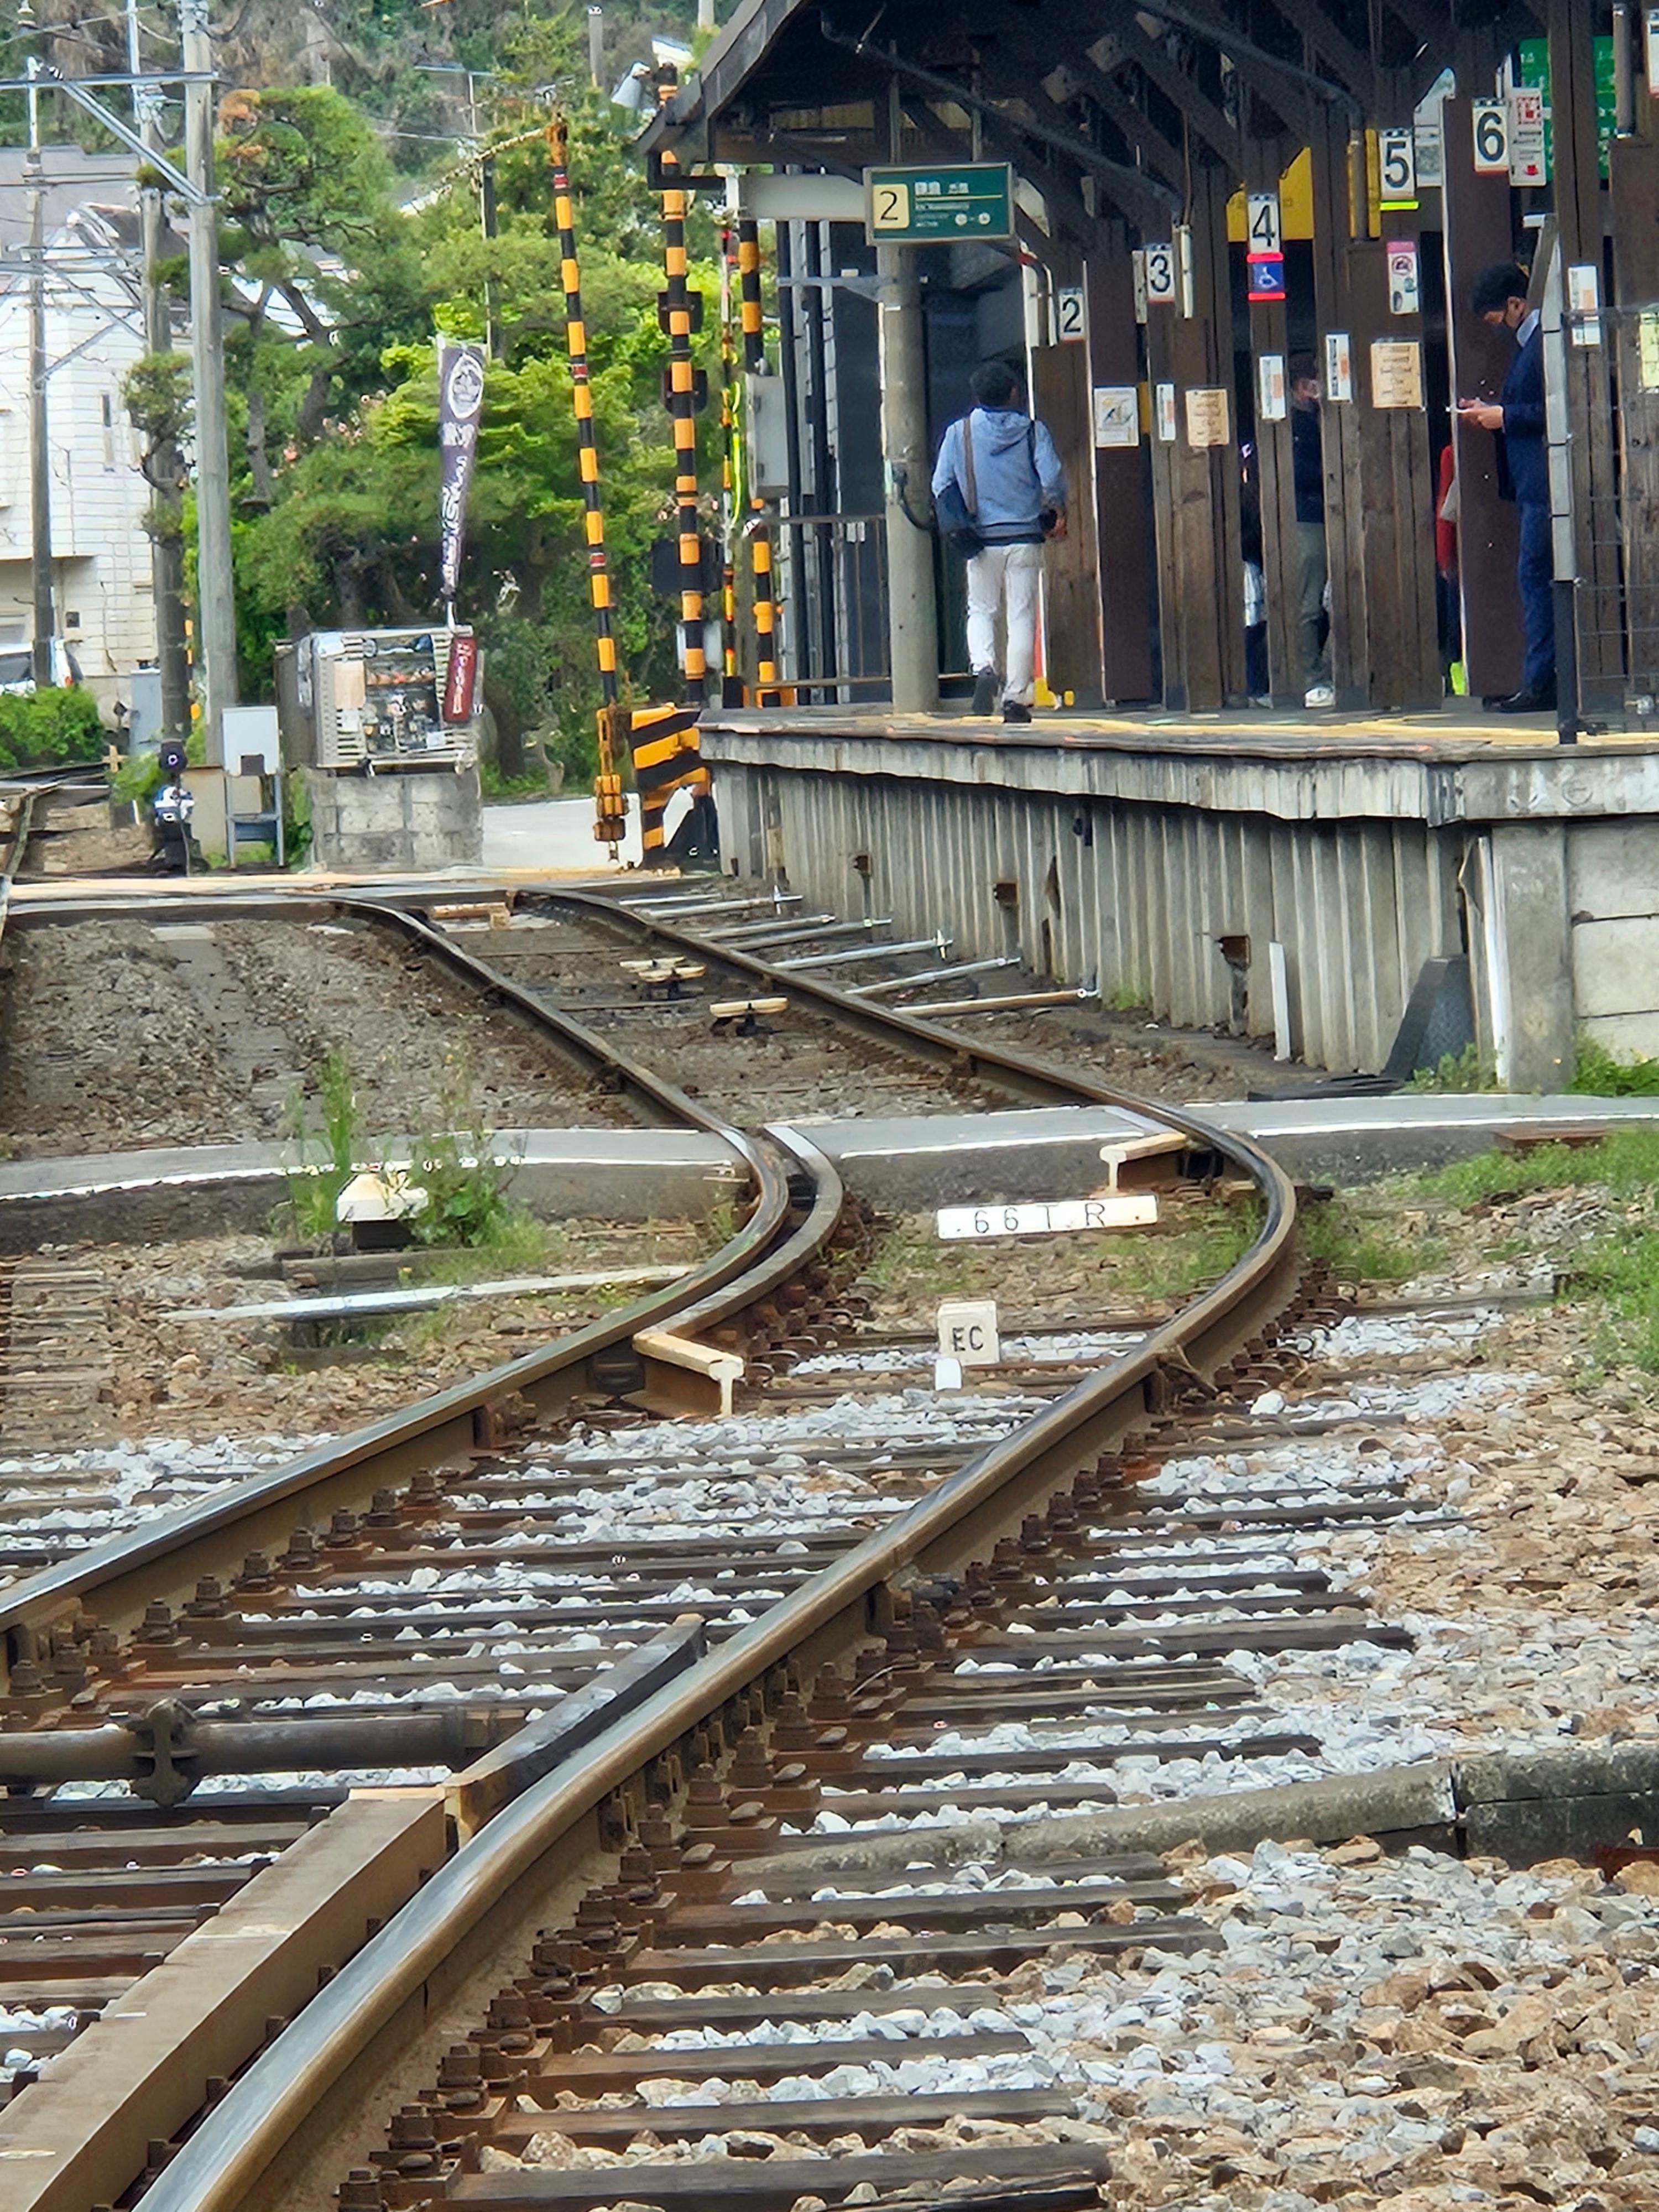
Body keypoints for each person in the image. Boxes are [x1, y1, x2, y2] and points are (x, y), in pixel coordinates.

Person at [932, 361, 1067, 723]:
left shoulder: (958, 434)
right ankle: (1015, 698)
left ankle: (984, 668)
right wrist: (1055, 507)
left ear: (977, 396)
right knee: (1021, 616)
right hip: (1025, 537)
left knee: (981, 609)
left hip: (981, 541)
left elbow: (941, 483)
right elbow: (1052, 477)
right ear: (1013, 394)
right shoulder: (1033, 433)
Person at [1458, 263, 1553, 713]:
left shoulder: (1541, 344)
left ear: (1516, 304)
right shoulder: (1529, 345)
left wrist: (1505, 417)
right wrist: (1492, 410)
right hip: (1532, 484)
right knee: (1535, 580)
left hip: (1540, 485)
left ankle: (1540, 684)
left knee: (1535, 580)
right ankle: (1542, 679)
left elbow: (1556, 406)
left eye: (1497, 319)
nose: (1497, 329)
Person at [1289, 355, 1332, 709]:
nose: (1315, 392)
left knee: (1333, 598)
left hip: (1329, 514)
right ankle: (1310, 676)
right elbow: (1298, 472)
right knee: (1310, 601)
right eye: (1309, 384)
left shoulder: (1325, 419)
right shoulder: (1291, 426)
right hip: (1307, 516)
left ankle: (1327, 671)